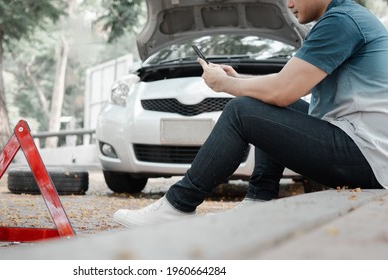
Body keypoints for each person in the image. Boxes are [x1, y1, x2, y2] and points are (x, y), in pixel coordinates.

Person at [113, 0, 388, 229]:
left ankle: (178, 204)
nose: (288, 3)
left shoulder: (341, 21)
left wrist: (225, 84)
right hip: (362, 148)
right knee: (259, 100)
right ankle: (258, 202)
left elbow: (283, 91)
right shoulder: (346, 17)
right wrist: (240, 80)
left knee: (241, 111)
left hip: (368, 155)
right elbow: (285, 84)